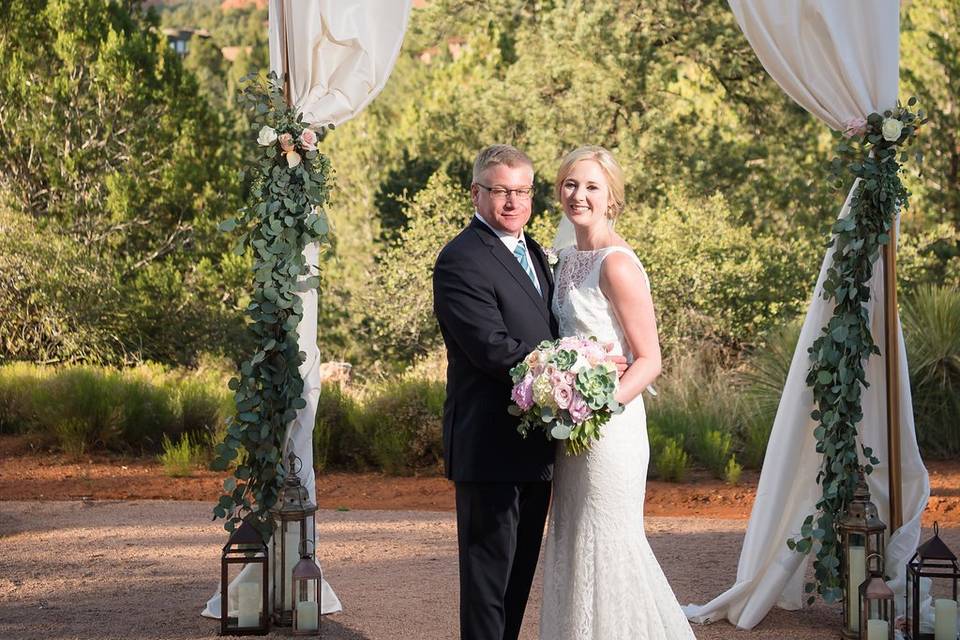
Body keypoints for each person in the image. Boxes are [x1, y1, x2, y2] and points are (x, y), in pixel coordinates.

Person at [538, 146, 696, 639]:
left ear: (612, 200)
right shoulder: (562, 260)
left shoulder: (617, 264)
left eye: (590, 187)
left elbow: (650, 359)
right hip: (570, 431)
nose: (577, 195)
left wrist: (598, 405)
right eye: (569, 184)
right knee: (573, 540)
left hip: (610, 428)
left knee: (608, 543)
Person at [432, 144, 559, 640]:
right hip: (489, 447)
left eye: (523, 191)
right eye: (501, 191)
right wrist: (564, 376)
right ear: (476, 194)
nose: (513, 202)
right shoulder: (460, 260)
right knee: (487, 585)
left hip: (537, 443)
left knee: (518, 579)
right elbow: (491, 347)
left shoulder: (534, 252)